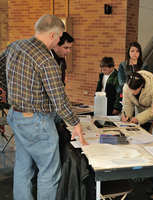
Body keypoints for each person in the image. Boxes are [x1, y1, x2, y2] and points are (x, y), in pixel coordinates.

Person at [0, 14, 87, 200]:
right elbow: (59, 99)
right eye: (59, 36)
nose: (58, 40)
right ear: (53, 35)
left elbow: (0, 70)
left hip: (16, 116)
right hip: (37, 122)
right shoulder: (46, 60)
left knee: (23, 168)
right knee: (49, 173)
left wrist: (12, 92)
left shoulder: (15, 46)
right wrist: (76, 124)